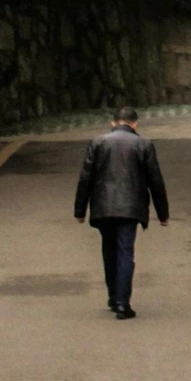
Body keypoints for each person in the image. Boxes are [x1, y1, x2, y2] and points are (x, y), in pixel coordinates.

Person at [74, 106, 169, 318]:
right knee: (125, 252)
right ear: (134, 124)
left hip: (103, 207)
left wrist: (79, 210)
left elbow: (85, 178)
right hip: (130, 209)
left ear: (113, 122)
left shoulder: (98, 143)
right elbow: (155, 181)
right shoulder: (144, 144)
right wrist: (163, 214)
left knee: (109, 251)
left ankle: (112, 296)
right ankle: (122, 303)